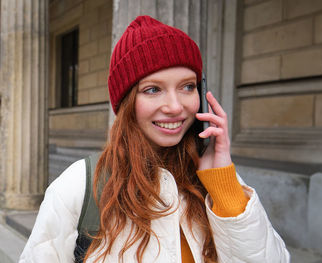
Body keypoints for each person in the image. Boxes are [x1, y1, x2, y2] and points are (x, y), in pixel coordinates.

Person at [19, 16, 289, 263]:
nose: (174, 106)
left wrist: (223, 183)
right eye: (152, 89)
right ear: (127, 103)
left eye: (187, 86)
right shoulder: (79, 185)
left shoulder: (216, 180)